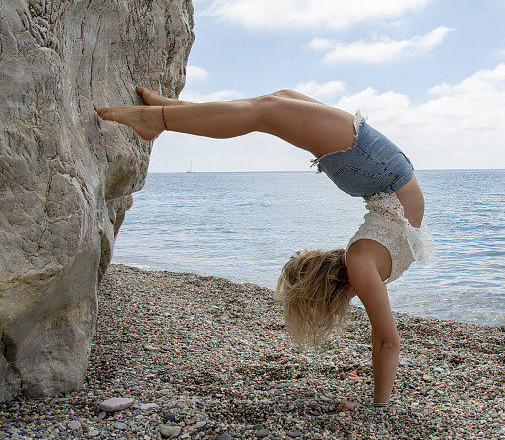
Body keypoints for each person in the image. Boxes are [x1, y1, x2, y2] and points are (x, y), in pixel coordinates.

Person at [95, 86, 436, 412]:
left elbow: (385, 339)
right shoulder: (361, 264)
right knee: (273, 105)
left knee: (271, 108)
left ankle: (165, 115)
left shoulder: (364, 262)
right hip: (377, 170)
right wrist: (380, 406)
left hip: (379, 171)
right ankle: (162, 117)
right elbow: (387, 340)